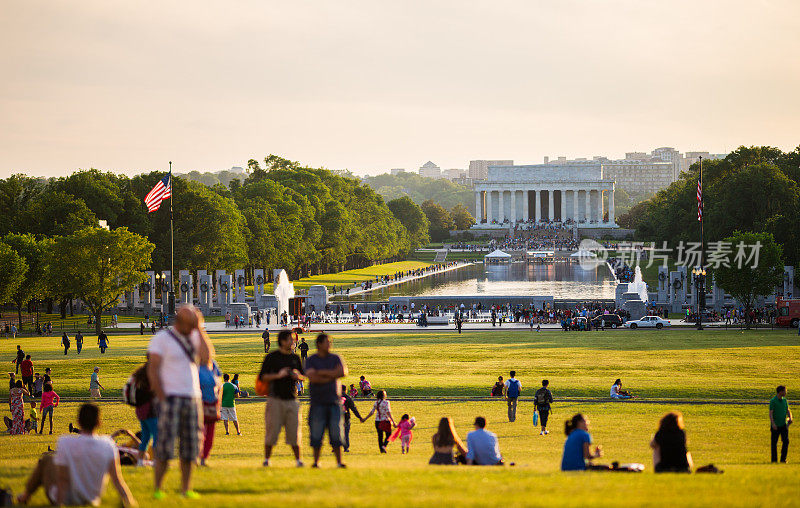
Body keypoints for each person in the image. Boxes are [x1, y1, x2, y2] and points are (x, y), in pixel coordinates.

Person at [147, 305, 214, 499]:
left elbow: (207, 359)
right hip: (170, 397)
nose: (192, 327)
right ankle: (158, 489)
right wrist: (161, 396)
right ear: (179, 321)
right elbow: (153, 369)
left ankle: (186, 489)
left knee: (191, 447)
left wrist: (199, 328)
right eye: (190, 323)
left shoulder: (194, 336)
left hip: (193, 397)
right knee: (165, 446)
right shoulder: (162, 339)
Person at [16, 403, 137, 507]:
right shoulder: (108, 445)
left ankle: (25, 496)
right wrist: (128, 500)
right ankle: (25, 496)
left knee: (46, 460)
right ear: (99, 423)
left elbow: (63, 479)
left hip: (67, 498)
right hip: (92, 498)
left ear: (78, 421)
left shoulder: (65, 442)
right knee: (50, 461)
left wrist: (59, 503)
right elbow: (117, 480)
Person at [259, 329, 305, 467]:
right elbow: (263, 377)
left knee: (294, 432)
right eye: (291, 339)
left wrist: (298, 375)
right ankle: (267, 460)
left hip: (292, 400)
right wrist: (279, 375)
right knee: (272, 431)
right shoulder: (272, 357)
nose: (293, 342)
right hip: (275, 399)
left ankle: (298, 460)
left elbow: (303, 376)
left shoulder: (294, 358)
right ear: (283, 341)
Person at [304, 333, 348, 468]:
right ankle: (316, 462)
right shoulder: (311, 360)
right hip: (318, 402)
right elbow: (312, 377)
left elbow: (343, 372)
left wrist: (321, 373)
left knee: (337, 433)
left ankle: (339, 462)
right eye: (327, 342)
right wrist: (331, 375)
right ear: (319, 344)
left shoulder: (335, 358)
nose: (330, 345)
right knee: (316, 434)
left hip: (334, 402)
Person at [130, 362, 157, 466]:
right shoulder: (151, 378)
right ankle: (155, 461)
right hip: (150, 411)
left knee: (145, 437)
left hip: (140, 411)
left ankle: (140, 462)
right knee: (157, 436)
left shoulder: (139, 377)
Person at [197, 359, 222, 466]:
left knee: (210, 433)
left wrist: (218, 404)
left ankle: (204, 457)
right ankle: (196, 456)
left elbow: (220, 384)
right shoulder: (193, 362)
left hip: (212, 403)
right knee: (198, 432)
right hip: (198, 403)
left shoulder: (212, 363)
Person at [770, 385, 793, 463]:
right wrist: (773, 424)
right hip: (775, 425)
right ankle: (774, 460)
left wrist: (790, 417)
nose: (786, 392)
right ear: (780, 392)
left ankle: (783, 459)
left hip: (784, 425)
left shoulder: (784, 400)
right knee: (774, 443)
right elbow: (771, 413)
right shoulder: (773, 401)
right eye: (785, 391)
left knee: (786, 442)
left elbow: (787, 410)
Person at [340, 383, 362, 453]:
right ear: (345, 390)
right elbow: (353, 409)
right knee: (346, 432)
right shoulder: (348, 398)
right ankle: (346, 448)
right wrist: (359, 417)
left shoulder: (335, 397)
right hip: (346, 417)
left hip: (337, 417)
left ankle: (335, 447)